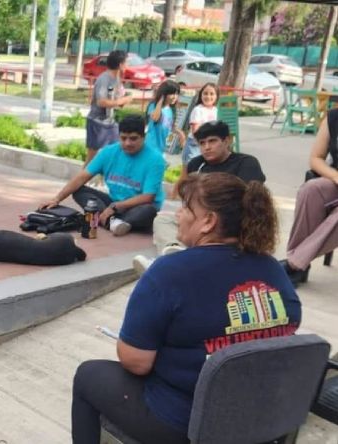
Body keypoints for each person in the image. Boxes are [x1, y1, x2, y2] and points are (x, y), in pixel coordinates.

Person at [71, 172, 302, 444]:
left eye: (185, 208)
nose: (177, 215)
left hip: (187, 423)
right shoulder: (272, 268)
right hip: (261, 416)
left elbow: (136, 362)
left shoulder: (169, 271)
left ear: (208, 221)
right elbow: (290, 325)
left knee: (88, 375)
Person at [133, 120, 267, 272]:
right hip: (199, 219)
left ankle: (168, 265)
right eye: (202, 143)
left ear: (227, 141)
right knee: (163, 220)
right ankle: (173, 253)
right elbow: (187, 197)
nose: (207, 147)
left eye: (212, 141)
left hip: (230, 223)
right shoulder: (196, 164)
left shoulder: (246, 163)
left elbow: (248, 201)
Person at [40, 115, 166, 236]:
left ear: (143, 137)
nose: (127, 143)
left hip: (136, 206)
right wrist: (56, 199)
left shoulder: (155, 159)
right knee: (79, 190)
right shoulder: (108, 152)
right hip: (113, 202)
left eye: (133, 139)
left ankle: (107, 220)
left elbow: (148, 197)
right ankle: (113, 222)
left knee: (148, 211)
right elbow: (82, 177)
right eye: (123, 138)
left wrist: (115, 207)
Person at [281, 109, 338, 287]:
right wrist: (335, 176)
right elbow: (316, 158)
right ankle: (300, 265)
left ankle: (295, 264)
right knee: (310, 190)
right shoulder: (334, 117)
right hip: (336, 180)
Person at [85, 50, 134, 166]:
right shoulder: (104, 79)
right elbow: (101, 102)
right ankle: (82, 177)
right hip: (97, 122)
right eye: (126, 63)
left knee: (117, 150)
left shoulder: (116, 79)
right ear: (120, 64)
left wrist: (123, 100)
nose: (128, 66)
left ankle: (107, 175)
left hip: (109, 122)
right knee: (91, 158)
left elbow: (115, 100)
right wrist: (121, 101)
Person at [181, 83, 219, 165]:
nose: (208, 96)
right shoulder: (198, 110)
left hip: (208, 145)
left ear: (217, 96)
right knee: (192, 168)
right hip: (195, 144)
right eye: (205, 93)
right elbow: (195, 130)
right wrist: (203, 145)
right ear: (201, 95)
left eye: (212, 94)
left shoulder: (215, 110)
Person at [145, 80, 185, 154]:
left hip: (161, 147)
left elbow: (170, 126)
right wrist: (161, 100)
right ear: (164, 93)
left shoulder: (170, 109)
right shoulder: (153, 105)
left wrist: (180, 133)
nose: (175, 97)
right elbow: (155, 118)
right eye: (172, 94)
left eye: (177, 94)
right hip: (150, 146)